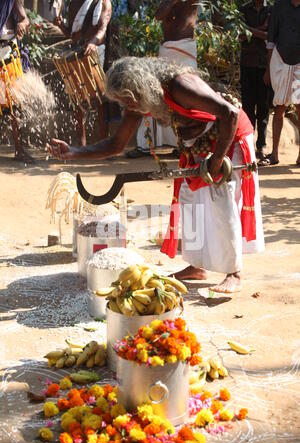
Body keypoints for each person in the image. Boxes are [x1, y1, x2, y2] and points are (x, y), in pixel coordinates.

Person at [48, 56, 265, 293]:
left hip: (229, 138)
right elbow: (116, 144)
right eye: (123, 103)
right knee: (189, 199)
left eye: (128, 101)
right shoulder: (139, 103)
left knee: (220, 201)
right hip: (201, 144)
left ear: (140, 88)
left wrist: (216, 159)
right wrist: (74, 153)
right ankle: (197, 265)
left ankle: (234, 272)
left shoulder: (181, 85)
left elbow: (230, 113)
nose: (127, 108)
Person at [128, 0, 199, 158]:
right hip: (167, 51)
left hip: (184, 51)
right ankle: (146, 145)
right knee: (154, 96)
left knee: (186, 100)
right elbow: (158, 15)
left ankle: (184, 144)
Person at [53, 0, 112, 146]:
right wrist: (60, 26)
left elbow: (102, 28)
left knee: (101, 99)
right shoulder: (73, 4)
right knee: (77, 99)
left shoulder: (104, 2)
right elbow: (73, 35)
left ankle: (104, 143)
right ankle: (81, 144)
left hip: (96, 51)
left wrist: (93, 42)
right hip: (77, 51)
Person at [264, 0, 300, 166]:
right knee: (280, 107)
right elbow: (271, 38)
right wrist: (267, 69)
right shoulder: (279, 5)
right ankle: (275, 153)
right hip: (280, 60)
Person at [239, 0, 273, 164]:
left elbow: (270, 36)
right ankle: (248, 144)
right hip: (247, 64)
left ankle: (262, 146)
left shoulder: (271, 9)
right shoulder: (243, 9)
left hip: (264, 65)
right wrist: (261, 28)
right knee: (247, 107)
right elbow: (240, 36)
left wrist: (250, 31)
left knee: (263, 109)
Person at [0, 0, 33, 162]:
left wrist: (22, 24)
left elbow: (25, 19)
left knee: (15, 104)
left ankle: (19, 150)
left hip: (8, 54)